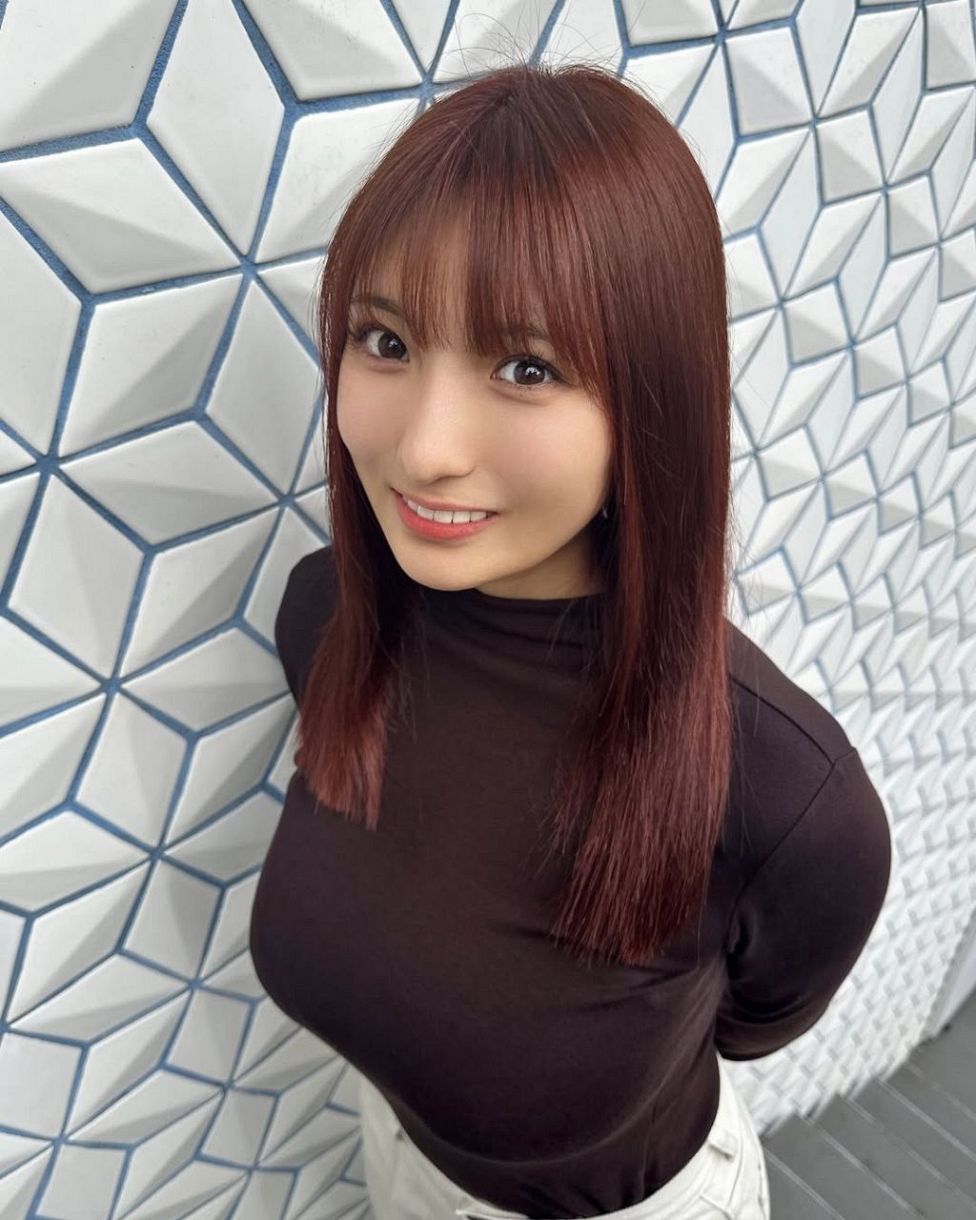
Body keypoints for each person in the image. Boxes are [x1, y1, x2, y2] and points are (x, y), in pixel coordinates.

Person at [249, 58, 892, 1220]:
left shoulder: (785, 795)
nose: (426, 446)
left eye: (525, 365)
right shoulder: (327, 619)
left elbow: (752, 1021)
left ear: (653, 399)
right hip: (395, 1159)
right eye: (385, 340)